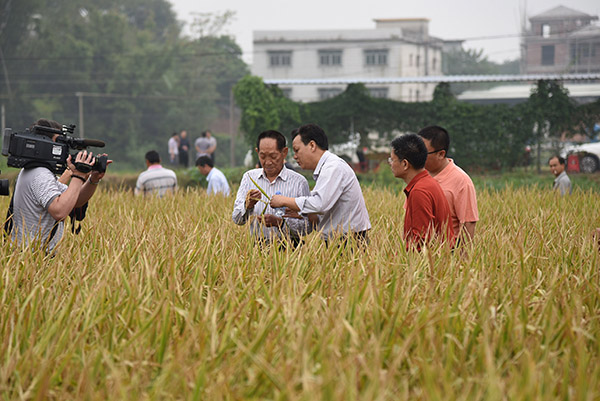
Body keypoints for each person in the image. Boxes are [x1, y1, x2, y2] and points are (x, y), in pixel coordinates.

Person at [10, 118, 109, 252]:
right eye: (58, 143)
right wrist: (78, 175)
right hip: (34, 256)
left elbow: (75, 200)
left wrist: (93, 179)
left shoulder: (33, 170)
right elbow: (60, 211)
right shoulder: (40, 174)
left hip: (31, 255)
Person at [270, 123, 371, 245]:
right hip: (339, 241)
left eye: (297, 150)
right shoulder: (326, 169)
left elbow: (319, 204)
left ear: (312, 145)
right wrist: (301, 214)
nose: (295, 157)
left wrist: (284, 200)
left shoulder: (333, 167)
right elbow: (322, 212)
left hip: (349, 242)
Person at [232, 130, 313, 246]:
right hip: (257, 248)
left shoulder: (299, 182)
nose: (268, 162)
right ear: (257, 152)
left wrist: (281, 223)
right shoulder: (249, 178)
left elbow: (307, 227)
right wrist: (247, 205)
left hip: (290, 249)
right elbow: (237, 219)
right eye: (263, 156)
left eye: (273, 156)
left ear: (284, 153)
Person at [390, 133, 454, 250]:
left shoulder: (419, 191)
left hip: (430, 263)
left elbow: (421, 241)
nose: (390, 164)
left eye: (392, 160)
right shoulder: (428, 183)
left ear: (405, 164)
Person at [418, 125, 478, 243]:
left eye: (423, 153)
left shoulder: (461, 181)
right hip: (420, 253)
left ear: (440, 154)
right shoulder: (418, 176)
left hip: (448, 253)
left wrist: (464, 259)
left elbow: (468, 223)